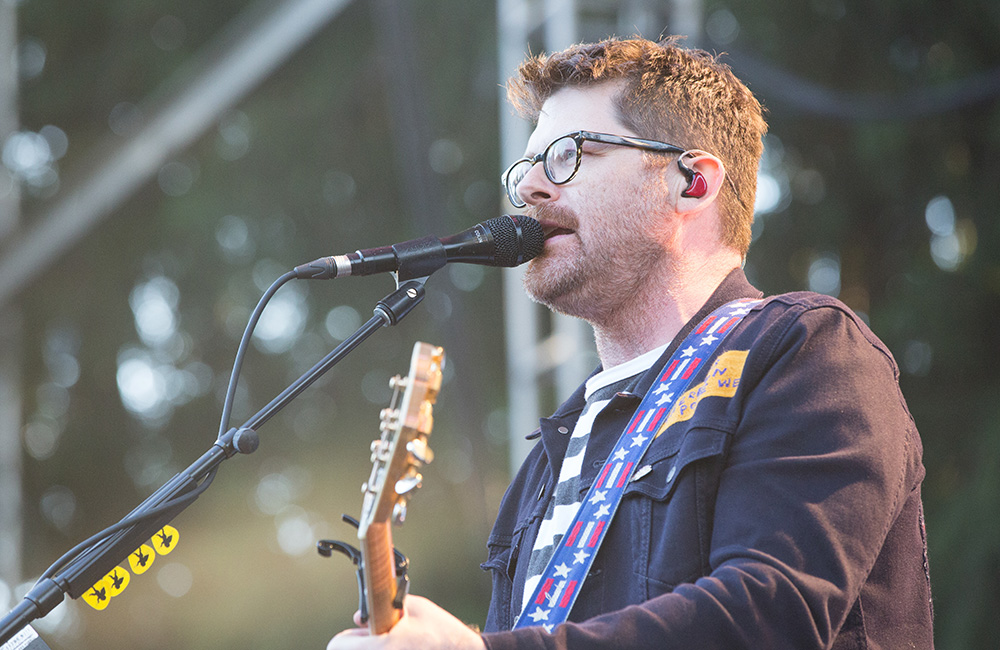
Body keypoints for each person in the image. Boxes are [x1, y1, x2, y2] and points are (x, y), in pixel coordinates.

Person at [328, 36, 934, 650]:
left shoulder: (806, 351)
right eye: (527, 167)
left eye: (567, 155)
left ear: (692, 183)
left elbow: (768, 618)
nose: (532, 188)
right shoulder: (550, 455)